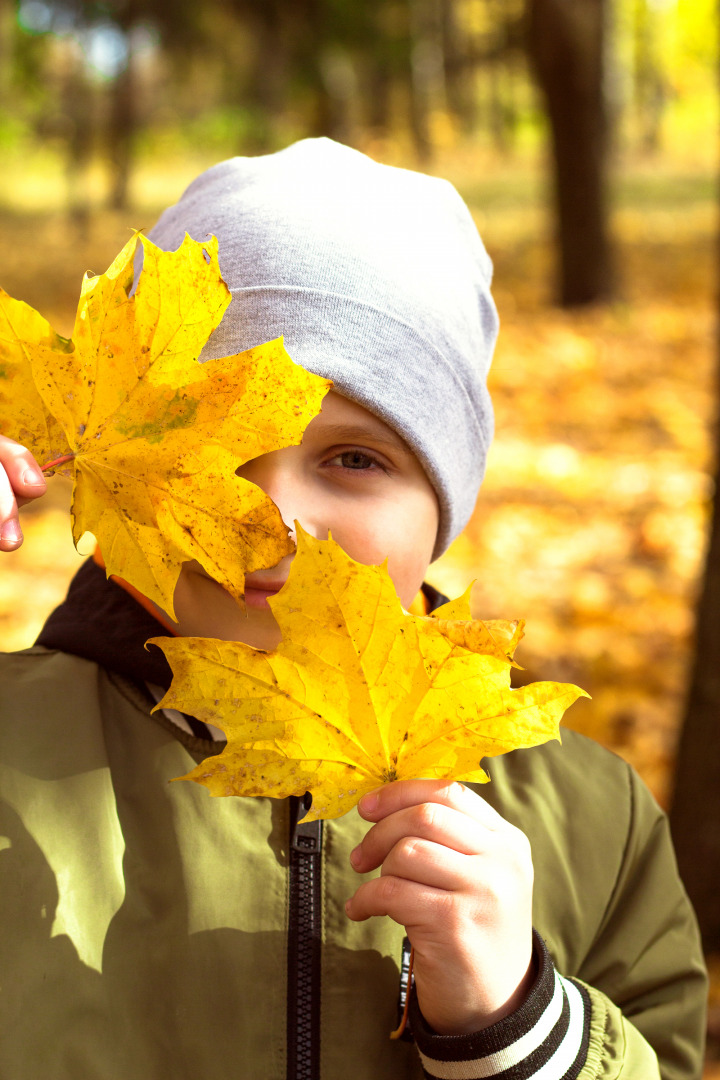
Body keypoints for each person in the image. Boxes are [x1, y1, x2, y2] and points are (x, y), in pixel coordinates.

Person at [0, 138, 707, 1080]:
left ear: (443, 510)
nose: (273, 517)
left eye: (355, 460)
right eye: (216, 454)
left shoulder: (588, 823)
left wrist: (517, 1022)